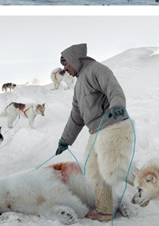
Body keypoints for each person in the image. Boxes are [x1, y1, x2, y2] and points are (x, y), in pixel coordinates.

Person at [54, 43, 133, 221]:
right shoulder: (78, 85)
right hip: (96, 130)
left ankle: (158, 183)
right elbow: (76, 116)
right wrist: (65, 140)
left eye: (66, 64)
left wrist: (118, 105)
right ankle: (104, 211)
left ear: (74, 60)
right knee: (94, 170)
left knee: (114, 168)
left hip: (113, 125)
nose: (64, 69)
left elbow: (113, 88)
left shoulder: (97, 69)